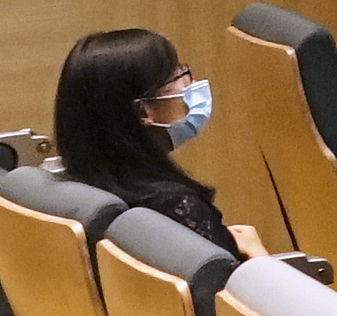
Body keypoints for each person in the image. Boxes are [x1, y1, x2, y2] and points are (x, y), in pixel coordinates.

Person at [52, 24, 230, 241]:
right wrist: (257, 253)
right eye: (179, 75)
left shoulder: (72, 195)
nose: (191, 84)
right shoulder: (179, 210)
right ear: (143, 111)